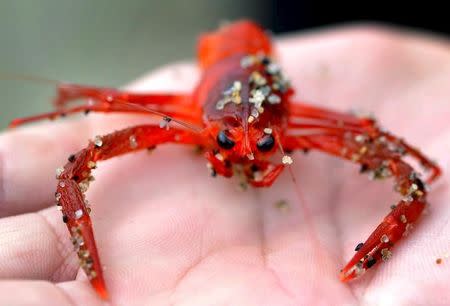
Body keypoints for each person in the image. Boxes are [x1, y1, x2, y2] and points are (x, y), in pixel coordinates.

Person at [0, 24, 449, 306]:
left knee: (407, 182)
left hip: (260, 54)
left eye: (268, 143)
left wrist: (418, 164)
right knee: (80, 163)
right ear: (203, 120)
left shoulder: (285, 124)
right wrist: (69, 100)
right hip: (229, 56)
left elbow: (407, 179)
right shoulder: (187, 114)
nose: (247, 156)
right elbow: (77, 165)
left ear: (282, 127)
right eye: (224, 140)